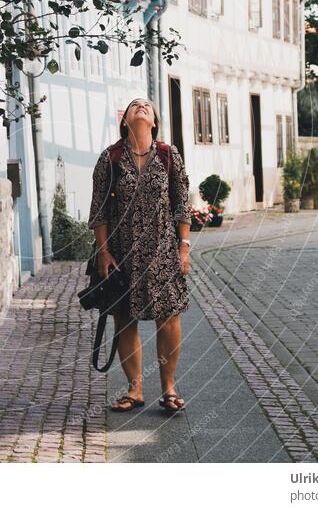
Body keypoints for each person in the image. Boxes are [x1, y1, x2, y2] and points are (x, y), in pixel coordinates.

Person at [87, 97, 192, 413]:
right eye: (135, 105)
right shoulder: (111, 158)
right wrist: (104, 252)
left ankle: (169, 387)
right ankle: (134, 389)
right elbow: (99, 209)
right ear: (125, 121)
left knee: (169, 317)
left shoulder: (168, 155)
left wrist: (184, 246)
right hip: (121, 253)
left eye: (147, 105)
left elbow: (181, 202)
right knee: (124, 319)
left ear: (156, 121)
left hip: (163, 251)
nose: (141, 107)